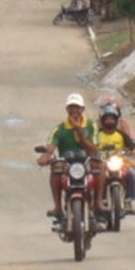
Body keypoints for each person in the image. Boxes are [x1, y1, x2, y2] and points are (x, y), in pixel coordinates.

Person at [36, 93, 98, 221]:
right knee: (56, 168)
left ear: (83, 109)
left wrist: (79, 131)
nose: (74, 110)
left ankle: (98, 203)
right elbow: (51, 147)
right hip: (67, 163)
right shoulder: (59, 129)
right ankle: (58, 207)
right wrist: (46, 155)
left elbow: (93, 149)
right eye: (71, 107)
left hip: (86, 160)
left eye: (77, 107)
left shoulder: (92, 125)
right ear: (67, 109)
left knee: (101, 167)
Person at [96, 104, 135, 214]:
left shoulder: (121, 134)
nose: (109, 121)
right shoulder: (96, 135)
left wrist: (134, 150)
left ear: (116, 120)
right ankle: (98, 200)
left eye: (112, 119)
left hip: (120, 162)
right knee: (94, 177)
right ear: (102, 121)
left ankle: (128, 199)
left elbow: (132, 145)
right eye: (107, 119)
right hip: (102, 163)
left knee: (132, 174)